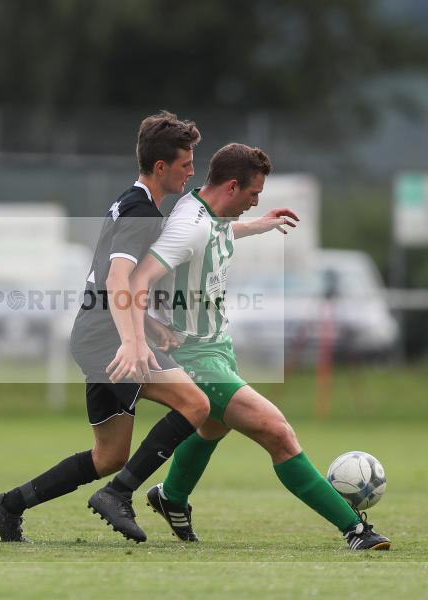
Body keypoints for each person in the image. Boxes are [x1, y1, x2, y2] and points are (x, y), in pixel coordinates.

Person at [120, 143, 391, 550]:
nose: (255, 201)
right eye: (253, 195)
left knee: (213, 425)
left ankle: (171, 497)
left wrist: (257, 224)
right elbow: (136, 280)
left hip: (216, 347)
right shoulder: (189, 225)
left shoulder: (205, 212)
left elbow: (215, 232)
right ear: (232, 186)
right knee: (277, 433)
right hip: (193, 358)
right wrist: (143, 333)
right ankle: (355, 530)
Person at [0, 111, 211, 543]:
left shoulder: (129, 201)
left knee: (109, 455)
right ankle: (118, 495)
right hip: (107, 339)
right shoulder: (141, 210)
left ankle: (6, 507)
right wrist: (133, 342)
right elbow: (116, 279)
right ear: (161, 167)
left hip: (94, 334)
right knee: (196, 405)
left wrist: (148, 328)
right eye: (186, 163)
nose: (192, 171)